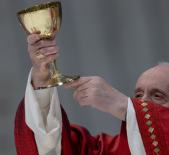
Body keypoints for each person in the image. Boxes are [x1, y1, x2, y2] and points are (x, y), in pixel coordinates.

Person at [14, 32, 169, 155]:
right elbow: (55, 147)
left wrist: (123, 105)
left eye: (158, 96)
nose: (142, 103)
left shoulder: (128, 109)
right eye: (138, 96)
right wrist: (42, 77)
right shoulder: (112, 150)